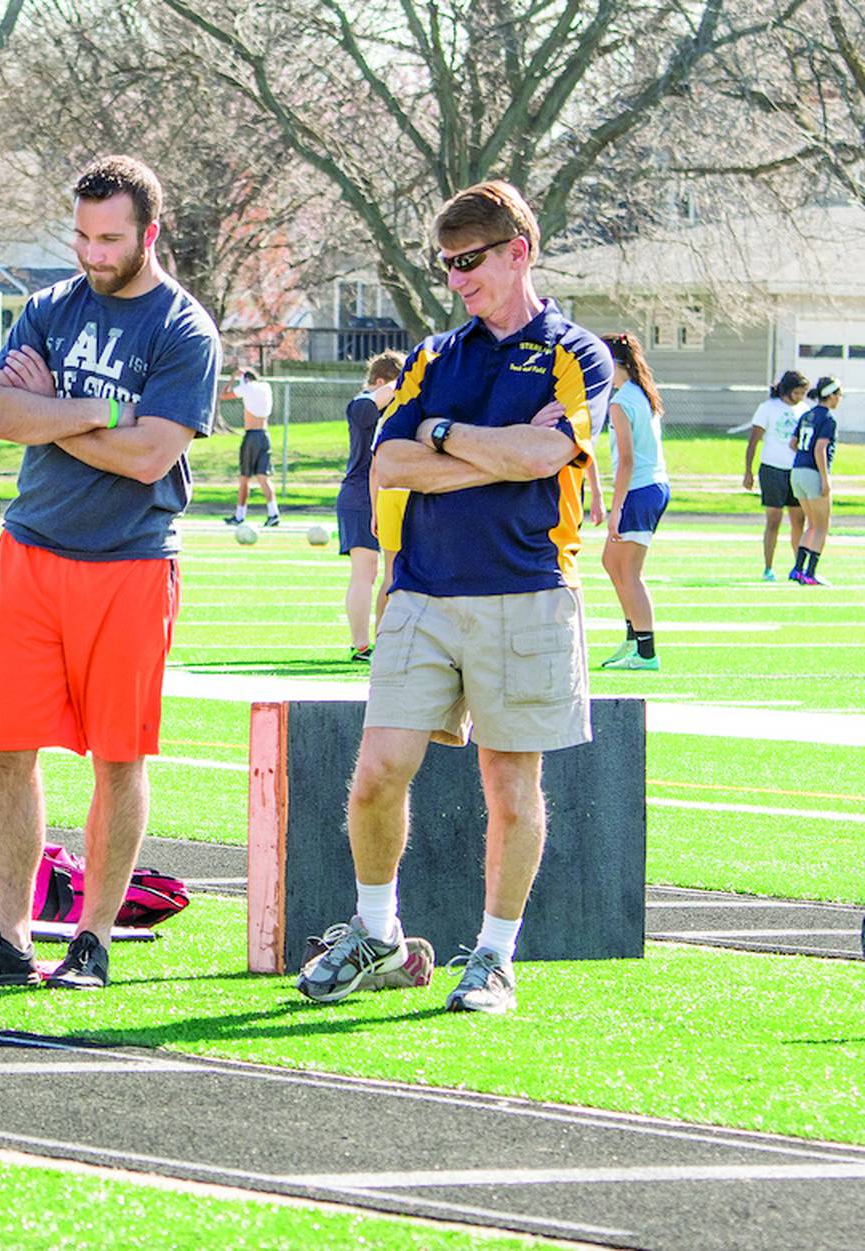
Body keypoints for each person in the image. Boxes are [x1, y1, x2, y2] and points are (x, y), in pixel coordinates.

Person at [296, 180, 610, 1016]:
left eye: (470, 262)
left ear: (520, 251)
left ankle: (495, 955)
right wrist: (480, 447)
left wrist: (449, 437)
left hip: (528, 592)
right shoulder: (437, 354)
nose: (458, 279)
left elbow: (550, 454)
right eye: (448, 266)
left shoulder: (577, 352)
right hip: (425, 593)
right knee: (375, 776)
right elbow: (388, 464)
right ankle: (378, 934)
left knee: (511, 790)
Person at [0, 155, 219, 993]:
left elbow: (151, 454)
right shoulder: (49, 306)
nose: (90, 252)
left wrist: (55, 418)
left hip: (129, 564)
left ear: (149, 234)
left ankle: (90, 941)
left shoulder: (184, 328)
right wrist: (99, 411)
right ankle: (8, 941)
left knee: (118, 760)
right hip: (30, 554)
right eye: (82, 235)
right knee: (5, 752)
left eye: (109, 238)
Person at [596, 333, 670, 671]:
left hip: (640, 490)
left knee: (629, 571)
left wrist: (616, 508)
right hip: (650, 487)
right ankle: (632, 636)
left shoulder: (622, 400)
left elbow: (626, 461)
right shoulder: (638, 393)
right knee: (612, 562)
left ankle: (646, 651)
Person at [337, 350, 404, 662]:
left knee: (385, 570)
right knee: (365, 572)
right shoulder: (362, 405)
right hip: (360, 496)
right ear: (380, 382)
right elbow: (366, 404)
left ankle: (381, 640)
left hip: (382, 493)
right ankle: (361, 644)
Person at [744, 370, 809, 581]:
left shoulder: (804, 410)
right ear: (787, 390)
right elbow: (753, 440)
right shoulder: (768, 408)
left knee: (799, 520)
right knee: (774, 520)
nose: (800, 397)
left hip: (796, 471)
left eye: (803, 393)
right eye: (797, 392)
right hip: (772, 469)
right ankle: (768, 568)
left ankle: (798, 567)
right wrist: (748, 470)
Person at [789, 376, 842, 586]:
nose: (839, 399)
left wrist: (805, 457)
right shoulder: (828, 418)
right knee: (821, 526)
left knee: (811, 525)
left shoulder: (806, 414)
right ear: (829, 395)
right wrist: (825, 478)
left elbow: (793, 443)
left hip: (797, 470)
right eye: (837, 395)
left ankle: (797, 569)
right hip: (812, 472)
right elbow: (820, 449)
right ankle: (810, 572)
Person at [221, 368, 279, 527]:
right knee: (263, 477)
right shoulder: (265, 387)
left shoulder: (246, 388)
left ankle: (240, 516)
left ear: (245, 379)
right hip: (264, 436)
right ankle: (273, 513)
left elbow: (224, 395)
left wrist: (233, 378)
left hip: (251, 436)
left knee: (244, 478)